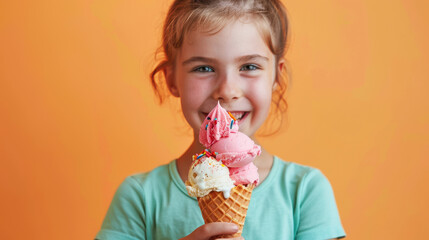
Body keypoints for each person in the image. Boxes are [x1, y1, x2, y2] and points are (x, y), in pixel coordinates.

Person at [95, 0, 346, 239]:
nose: (227, 90)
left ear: (275, 77)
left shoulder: (304, 192)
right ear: (171, 79)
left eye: (249, 66)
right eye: (203, 68)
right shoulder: (140, 198)